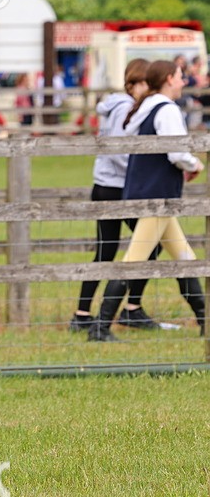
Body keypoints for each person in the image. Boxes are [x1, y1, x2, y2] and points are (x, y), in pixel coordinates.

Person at [89, 60, 205, 341]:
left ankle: (205, 318)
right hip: (158, 195)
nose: (183, 82)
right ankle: (100, 327)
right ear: (168, 79)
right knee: (134, 260)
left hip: (148, 191)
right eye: (180, 77)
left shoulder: (147, 106)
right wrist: (195, 164)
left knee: (184, 258)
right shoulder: (166, 110)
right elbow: (176, 153)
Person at [69, 59, 158, 332]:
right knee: (148, 244)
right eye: (148, 84)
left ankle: (84, 313)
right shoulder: (123, 109)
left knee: (107, 252)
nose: (150, 91)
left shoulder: (114, 106)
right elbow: (120, 152)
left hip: (106, 185)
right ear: (137, 83)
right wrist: (145, 169)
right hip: (118, 187)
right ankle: (130, 308)